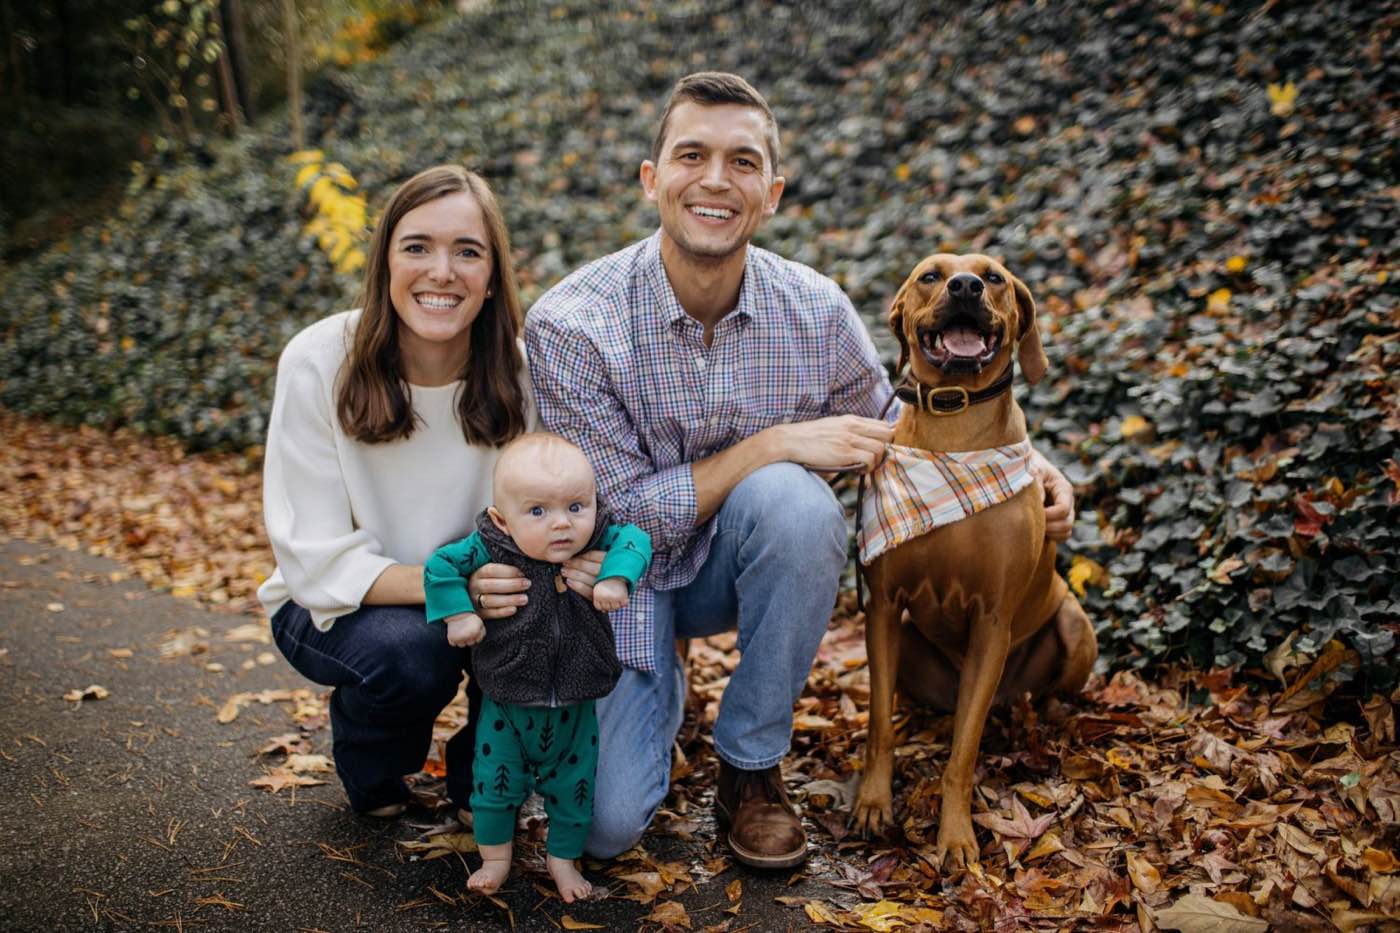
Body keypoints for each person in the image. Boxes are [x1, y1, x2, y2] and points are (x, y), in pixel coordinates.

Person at [466, 73, 1078, 868]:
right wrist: (770, 444)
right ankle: (663, 684)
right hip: (620, 580)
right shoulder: (573, 322)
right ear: (653, 179)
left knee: (801, 508)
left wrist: (1028, 466)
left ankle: (751, 765)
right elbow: (612, 514)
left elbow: (901, 429)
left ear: (773, 191)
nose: (717, 180)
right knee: (610, 828)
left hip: (739, 567)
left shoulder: (815, 309)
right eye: (692, 155)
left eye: (743, 162)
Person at [259, 165, 603, 820]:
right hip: (341, 606)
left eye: (467, 251)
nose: (441, 271)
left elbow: (549, 515)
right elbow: (316, 562)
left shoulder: (523, 374)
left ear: (494, 274)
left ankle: (485, 776)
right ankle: (376, 770)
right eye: (417, 247)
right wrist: (454, 588)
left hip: (492, 595)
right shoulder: (318, 360)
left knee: (547, 615)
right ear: (385, 260)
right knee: (410, 649)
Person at [422, 432, 651, 902]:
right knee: (493, 788)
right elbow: (440, 566)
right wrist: (459, 611)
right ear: (502, 520)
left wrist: (617, 575)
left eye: (576, 506)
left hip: (576, 703)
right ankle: (496, 860)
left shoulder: (603, 533)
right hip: (506, 701)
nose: (562, 524)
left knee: (575, 791)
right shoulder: (488, 547)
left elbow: (636, 538)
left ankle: (562, 861)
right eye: (538, 512)